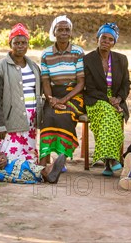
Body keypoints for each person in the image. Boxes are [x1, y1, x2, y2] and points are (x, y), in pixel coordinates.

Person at [0, 23, 42, 161]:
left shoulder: (34, 66)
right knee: (9, 158)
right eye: (16, 42)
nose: (20, 46)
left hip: (30, 121)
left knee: (29, 156)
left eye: (24, 42)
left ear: (28, 44)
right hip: (10, 121)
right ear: (10, 44)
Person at [83, 23, 131, 176]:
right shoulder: (88, 59)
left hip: (116, 100)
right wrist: (109, 100)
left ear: (114, 43)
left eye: (110, 39)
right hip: (95, 99)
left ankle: (108, 163)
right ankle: (113, 159)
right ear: (97, 38)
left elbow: (126, 83)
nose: (106, 41)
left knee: (113, 115)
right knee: (108, 113)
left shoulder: (121, 59)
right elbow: (89, 88)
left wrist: (119, 98)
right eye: (103, 37)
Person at [39, 15, 85, 168]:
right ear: (54, 32)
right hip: (53, 93)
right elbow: (45, 80)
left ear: (71, 33)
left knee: (65, 115)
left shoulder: (78, 51)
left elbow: (81, 83)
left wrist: (63, 100)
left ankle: (61, 158)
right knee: (48, 116)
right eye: (60, 30)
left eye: (67, 30)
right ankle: (45, 158)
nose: (64, 33)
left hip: (74, 94)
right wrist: (51, 98)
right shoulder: (46, 54)